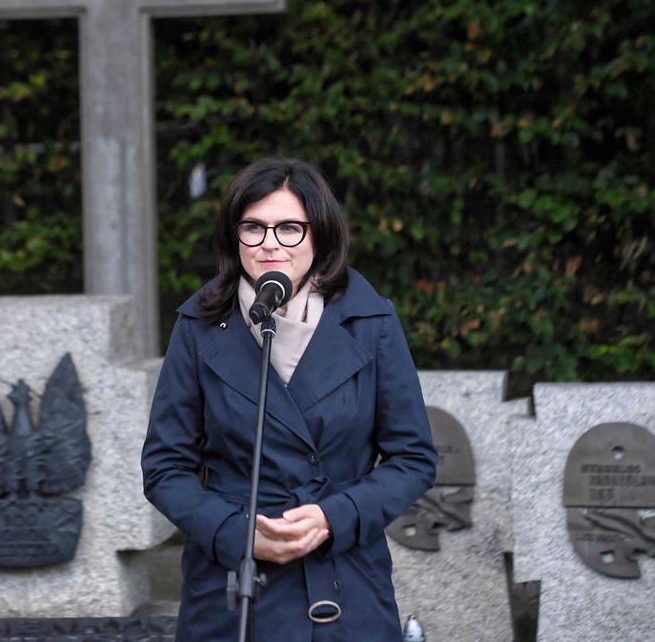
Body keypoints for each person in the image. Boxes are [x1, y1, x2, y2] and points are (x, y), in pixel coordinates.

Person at [142, 156, 437, 641]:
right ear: (234, 236)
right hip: (232, 586)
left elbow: (414, 458)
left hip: (342, 579)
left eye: (289, 228)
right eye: (253, 227)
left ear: (319, 234)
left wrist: (334, 516)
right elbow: (164, 467)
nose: (270, 244)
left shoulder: (371, 322)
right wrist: (235, 533)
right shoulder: (200, 325)